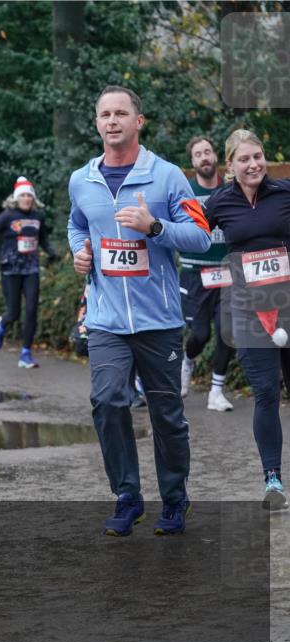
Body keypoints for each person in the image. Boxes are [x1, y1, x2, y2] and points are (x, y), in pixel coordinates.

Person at [67, 85, 212, 537]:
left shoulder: (167, 176)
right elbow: (76, 225)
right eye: (105, 114)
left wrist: (155, 226)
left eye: (121, 113)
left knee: (167, 416)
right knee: (108, 402)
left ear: (138, 121)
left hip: (160, 322)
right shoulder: (82, 180)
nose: (112, 121)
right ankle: (127, 496)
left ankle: (174, 498)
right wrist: (80, 253)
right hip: (106, 320)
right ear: (97, 123)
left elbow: (202, 237)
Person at [204, 129, 290, 510]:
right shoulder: (219, 202)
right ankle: (272, 479)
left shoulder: (285, 193)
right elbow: (188, 234)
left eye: (258, 156)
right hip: (248, 309)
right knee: (267, 393)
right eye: (244, 159)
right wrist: (153, 229)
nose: (253, 164)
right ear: (231, 165)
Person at [178, 136, 236, 411]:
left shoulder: (231, 191)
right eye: (198, 154)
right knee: (199, 335)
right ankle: (188, 361)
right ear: (193, 163)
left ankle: (216, 391)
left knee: (227, 333)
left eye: (207, 152)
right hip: (196, 273)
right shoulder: (186, 193)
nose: (204, 157)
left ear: (215, 157)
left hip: (227, 273)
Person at [0, 176, 59, 369]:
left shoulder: (38, 217)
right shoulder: (7, 215)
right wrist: (0, 255)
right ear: (16, 198)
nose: (26, 198)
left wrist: (51, 253)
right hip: (10, 270)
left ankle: (26, 353)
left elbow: (42, 240)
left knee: (32, 309)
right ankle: (2, 323)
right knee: (14, 313)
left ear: (33, 199)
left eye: (29, 195)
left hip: (31, 269)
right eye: (23, 195)